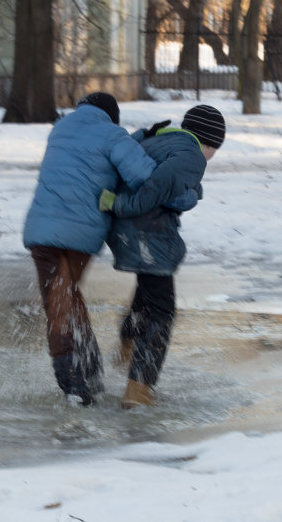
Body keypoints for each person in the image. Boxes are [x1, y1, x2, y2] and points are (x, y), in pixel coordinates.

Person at [23, 92, 159, 406]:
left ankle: (79, 380)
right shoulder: (113, 135)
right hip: (81, 236)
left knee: (59, 301)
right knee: (66, 297)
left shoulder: (60, 128)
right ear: (112, 116)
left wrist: (132, 138)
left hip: (42, 231)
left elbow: (89, 147)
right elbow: (143, 175)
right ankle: (84, 377)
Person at [98, 104, 226, 409]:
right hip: (145, 231)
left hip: (128, 231)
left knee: (149, 290)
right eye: (215, 149)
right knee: (162, 312)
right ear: (209, 142)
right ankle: (139, 390)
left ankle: (127, 347)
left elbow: (152, 178)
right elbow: (155, 188)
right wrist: (120, 205)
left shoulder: (159, 140)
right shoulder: (191, 154)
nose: (211, 156)